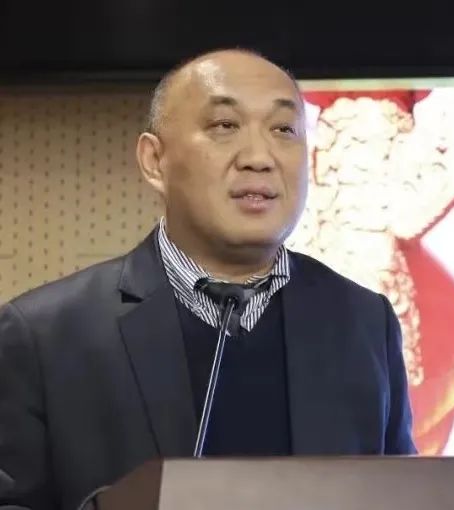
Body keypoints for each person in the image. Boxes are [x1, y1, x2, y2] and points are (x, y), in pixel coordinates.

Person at [0, 48, 416, 510]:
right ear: (154, 161)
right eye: (224, 125)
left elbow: (405, 494)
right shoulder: (41, 336)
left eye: (283, 130)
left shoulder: (365, 323)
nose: (259, 158)